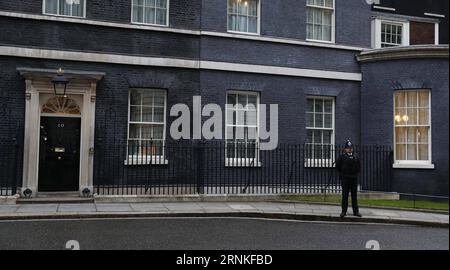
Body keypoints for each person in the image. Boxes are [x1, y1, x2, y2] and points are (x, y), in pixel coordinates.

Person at [336, 140, 362, 218]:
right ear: (345, 149)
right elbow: (338, 167)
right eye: (348, 148)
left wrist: (355, 173)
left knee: (354, 196)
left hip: (353, 178)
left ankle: (356, 212)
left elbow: (359, 167)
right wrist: (343, 173)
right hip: (345, 179)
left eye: (351, 148)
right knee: (345, 196)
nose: (350, 149)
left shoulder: (356, 156)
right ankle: (343, 211)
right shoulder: (342, 157)